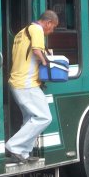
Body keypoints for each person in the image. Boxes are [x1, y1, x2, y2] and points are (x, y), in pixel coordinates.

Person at [5, 10, 59, 164]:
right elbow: (36, 51)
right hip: (26, 83)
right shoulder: (37, 30)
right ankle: (14, 146)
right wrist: (46, 62)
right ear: (48, 23)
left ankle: (24, 153)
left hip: (16, 82)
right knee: (44, 117)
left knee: (30, 118)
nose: (52, 31)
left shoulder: (21, 33)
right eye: (53, 27)